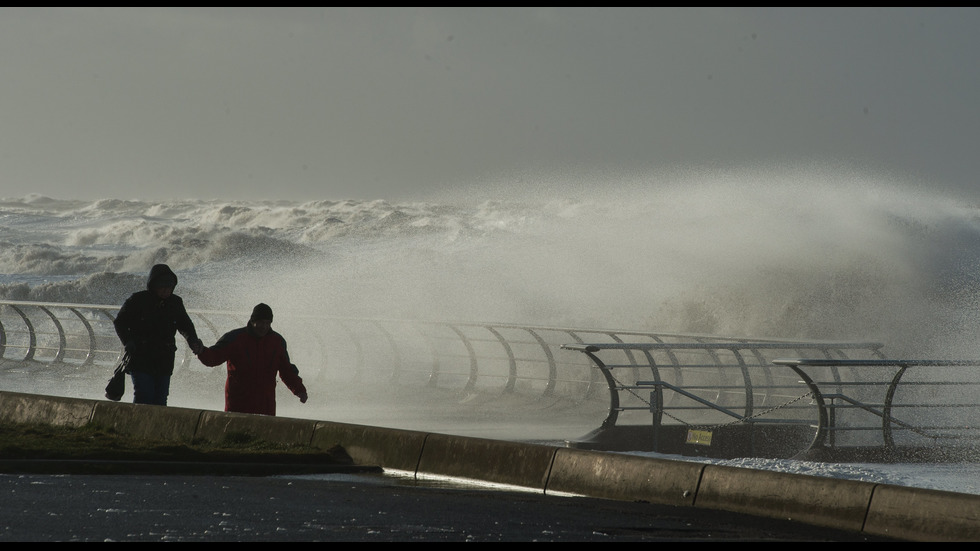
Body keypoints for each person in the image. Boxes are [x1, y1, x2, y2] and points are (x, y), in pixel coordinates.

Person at [113, 264, 204, 406]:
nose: (166, 290)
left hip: (164, 358)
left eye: (169, 287)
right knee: (144, 394)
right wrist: (127, 341)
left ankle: (156, 427)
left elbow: (185, 325)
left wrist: (192, 340)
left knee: (161, 397)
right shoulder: (138, 300)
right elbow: (120, 322)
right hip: (141, 356)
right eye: (162, 286)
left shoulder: (175, 302)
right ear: (153, 285)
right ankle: (138, 425)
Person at [196, 303, 308, 416]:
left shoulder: (277, 342)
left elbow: (287, 370)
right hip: (238, 406)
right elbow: (214, 357)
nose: (264, 327)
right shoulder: (235, 338)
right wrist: (201, 351)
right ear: (252, 321)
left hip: (265, 407)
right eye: (260, 322)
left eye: (267, 323)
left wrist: (300, 390)